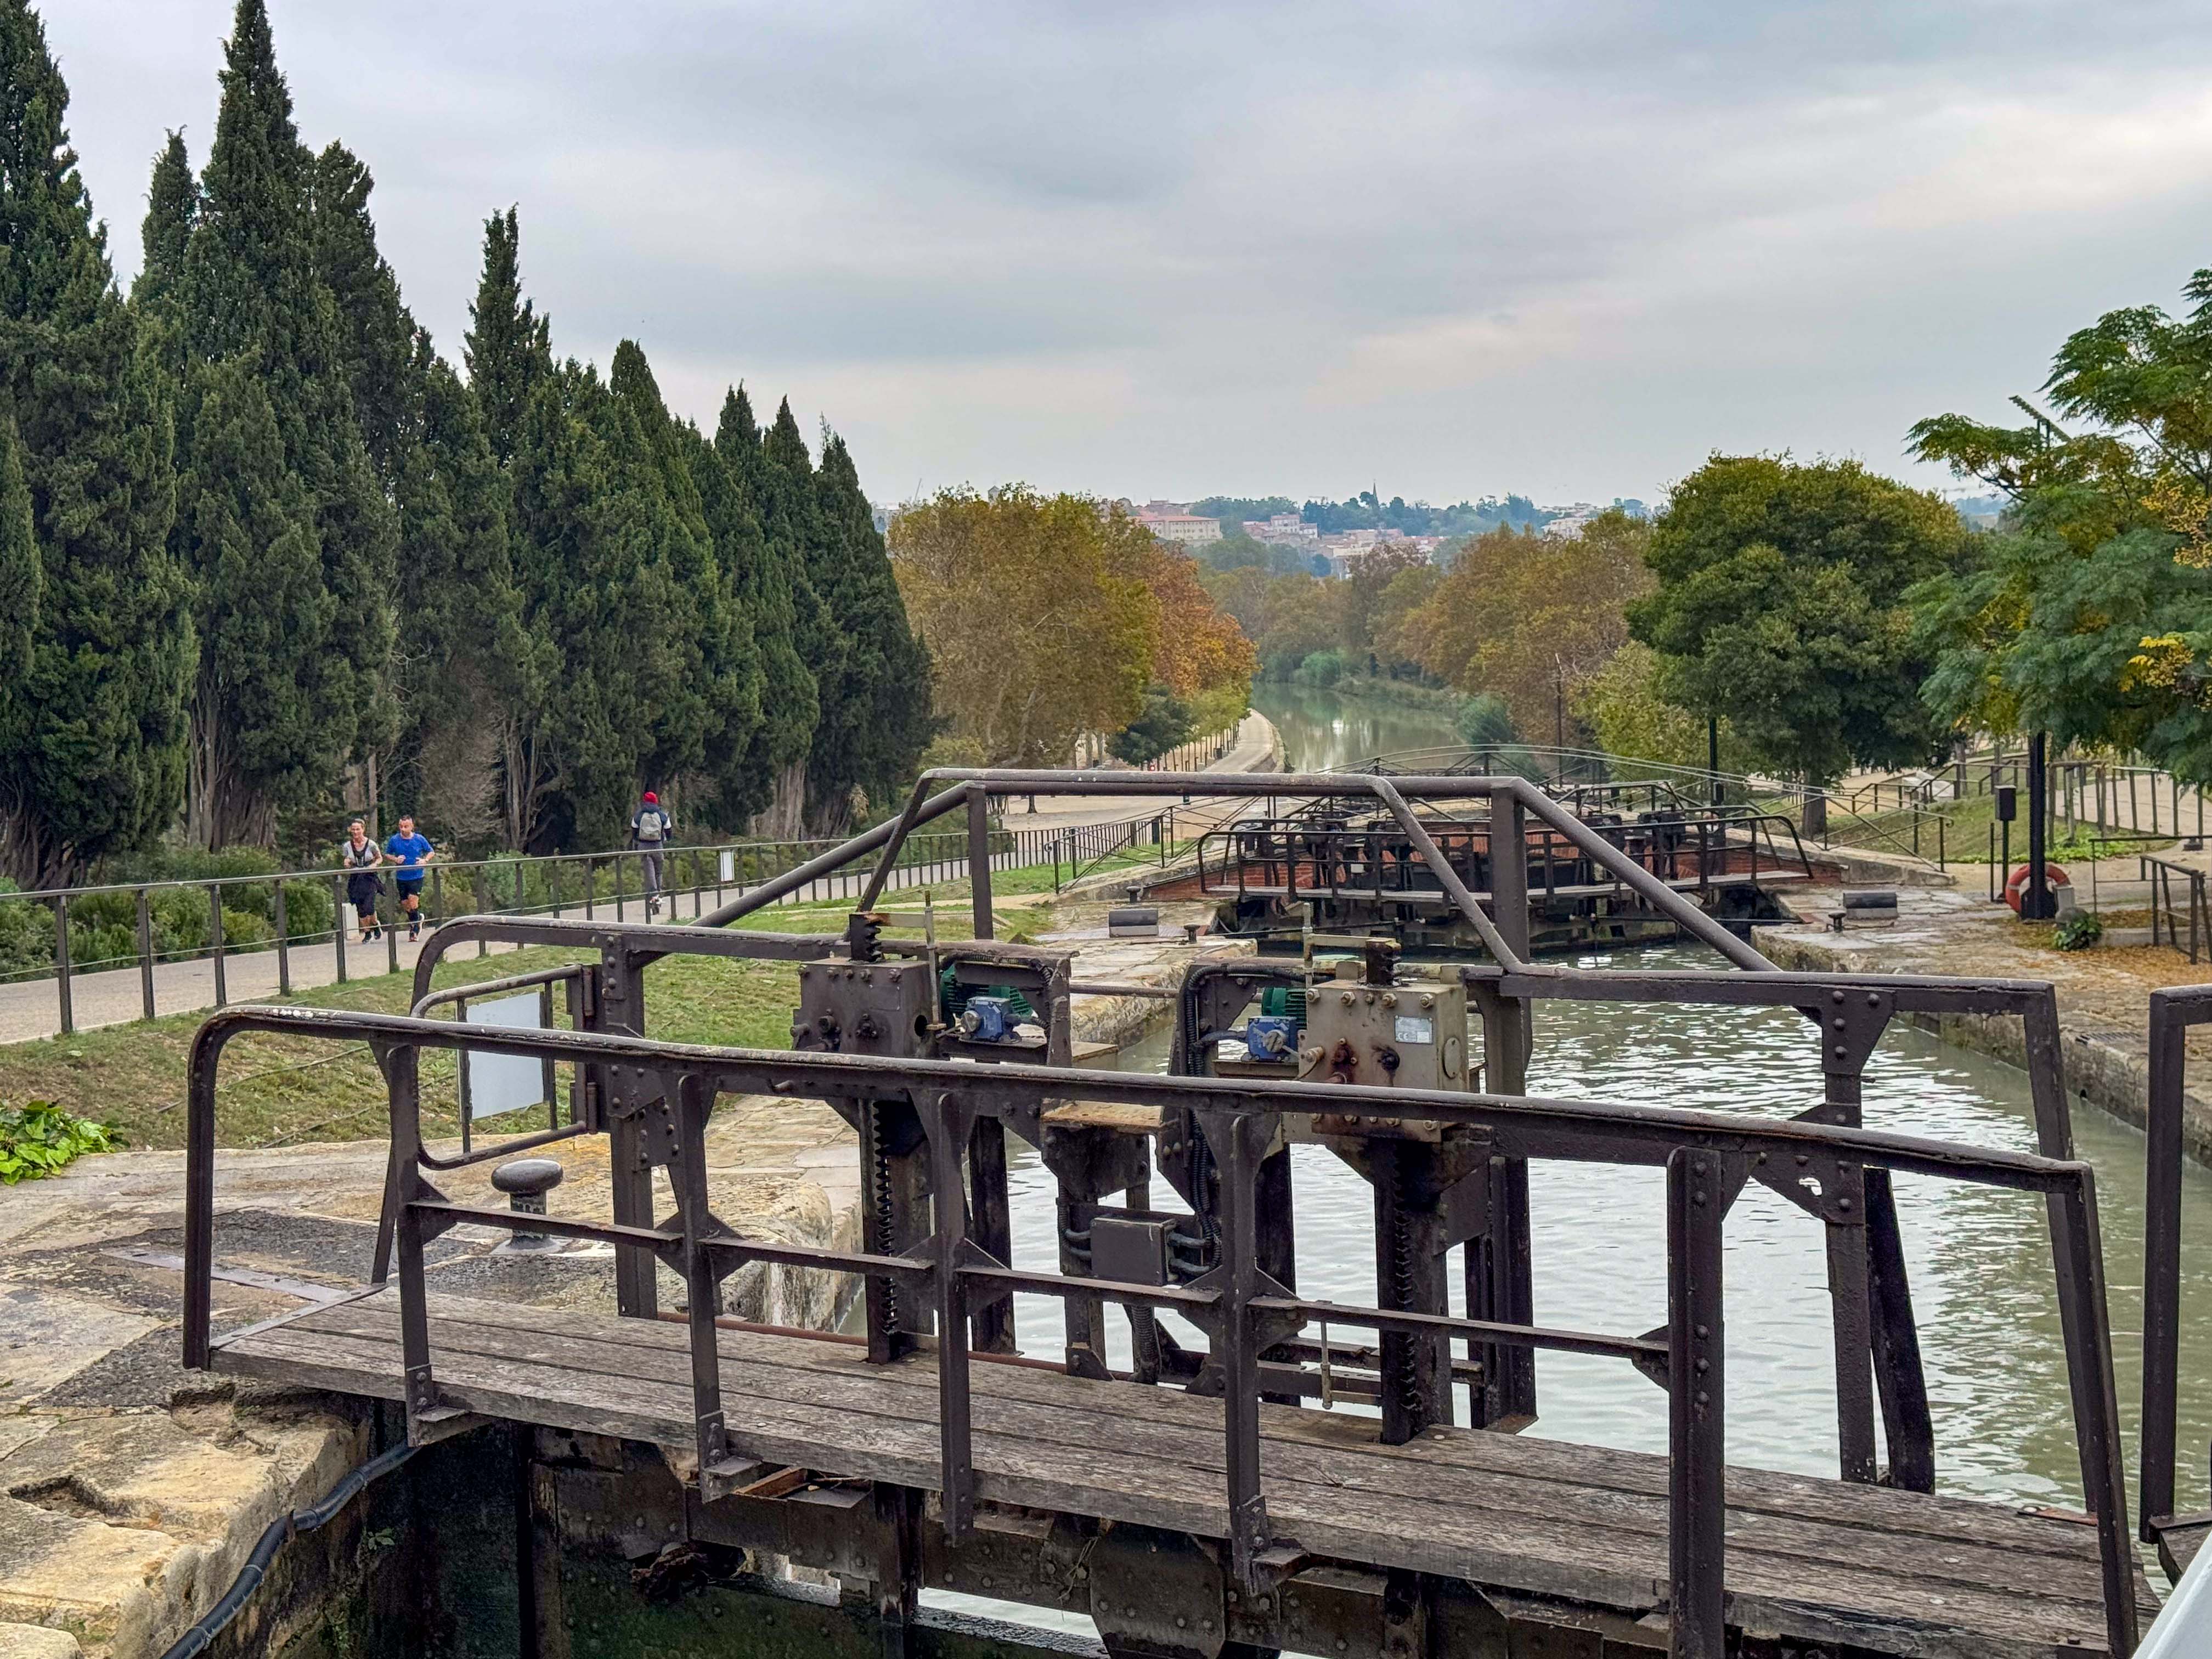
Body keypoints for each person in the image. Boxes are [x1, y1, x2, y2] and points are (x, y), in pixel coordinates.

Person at [385, 814, 436, 941]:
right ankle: (417, 919)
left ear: (412, 826)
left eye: (406, 826)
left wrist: (425, 860)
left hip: (416, 875)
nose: (403, 829)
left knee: (413, 901)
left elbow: (431, 852)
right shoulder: (394, 840)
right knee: (405, 904)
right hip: (402, 876)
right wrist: (396, 859)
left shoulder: (419, 839)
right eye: (401, 826)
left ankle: (414, 930)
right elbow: (387, 854)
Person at [340, 820, 385, 943]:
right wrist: (347, 862)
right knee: (360, 908)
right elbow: (347, 859)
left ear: (363, 829)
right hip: (356, 878)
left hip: (369, 878)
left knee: (369, 906)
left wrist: (374, 865)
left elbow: (379, 858)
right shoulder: (347, 846)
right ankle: (367, 933)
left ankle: (375, 924)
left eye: (358, 829)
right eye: (353, 829)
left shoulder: (371, 844)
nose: (355, 832)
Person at [630, 790, 672, 917]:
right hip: (658, 846)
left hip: (644, 847)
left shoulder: (639, 815)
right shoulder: (662, 814)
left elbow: (634, 830)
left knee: (649, 873)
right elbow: (669, 829)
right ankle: (658, 895)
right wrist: (666, 839)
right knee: (659, 872)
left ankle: (653, 895)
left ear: (645, 801)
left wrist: (637, 841)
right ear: (656, 801)